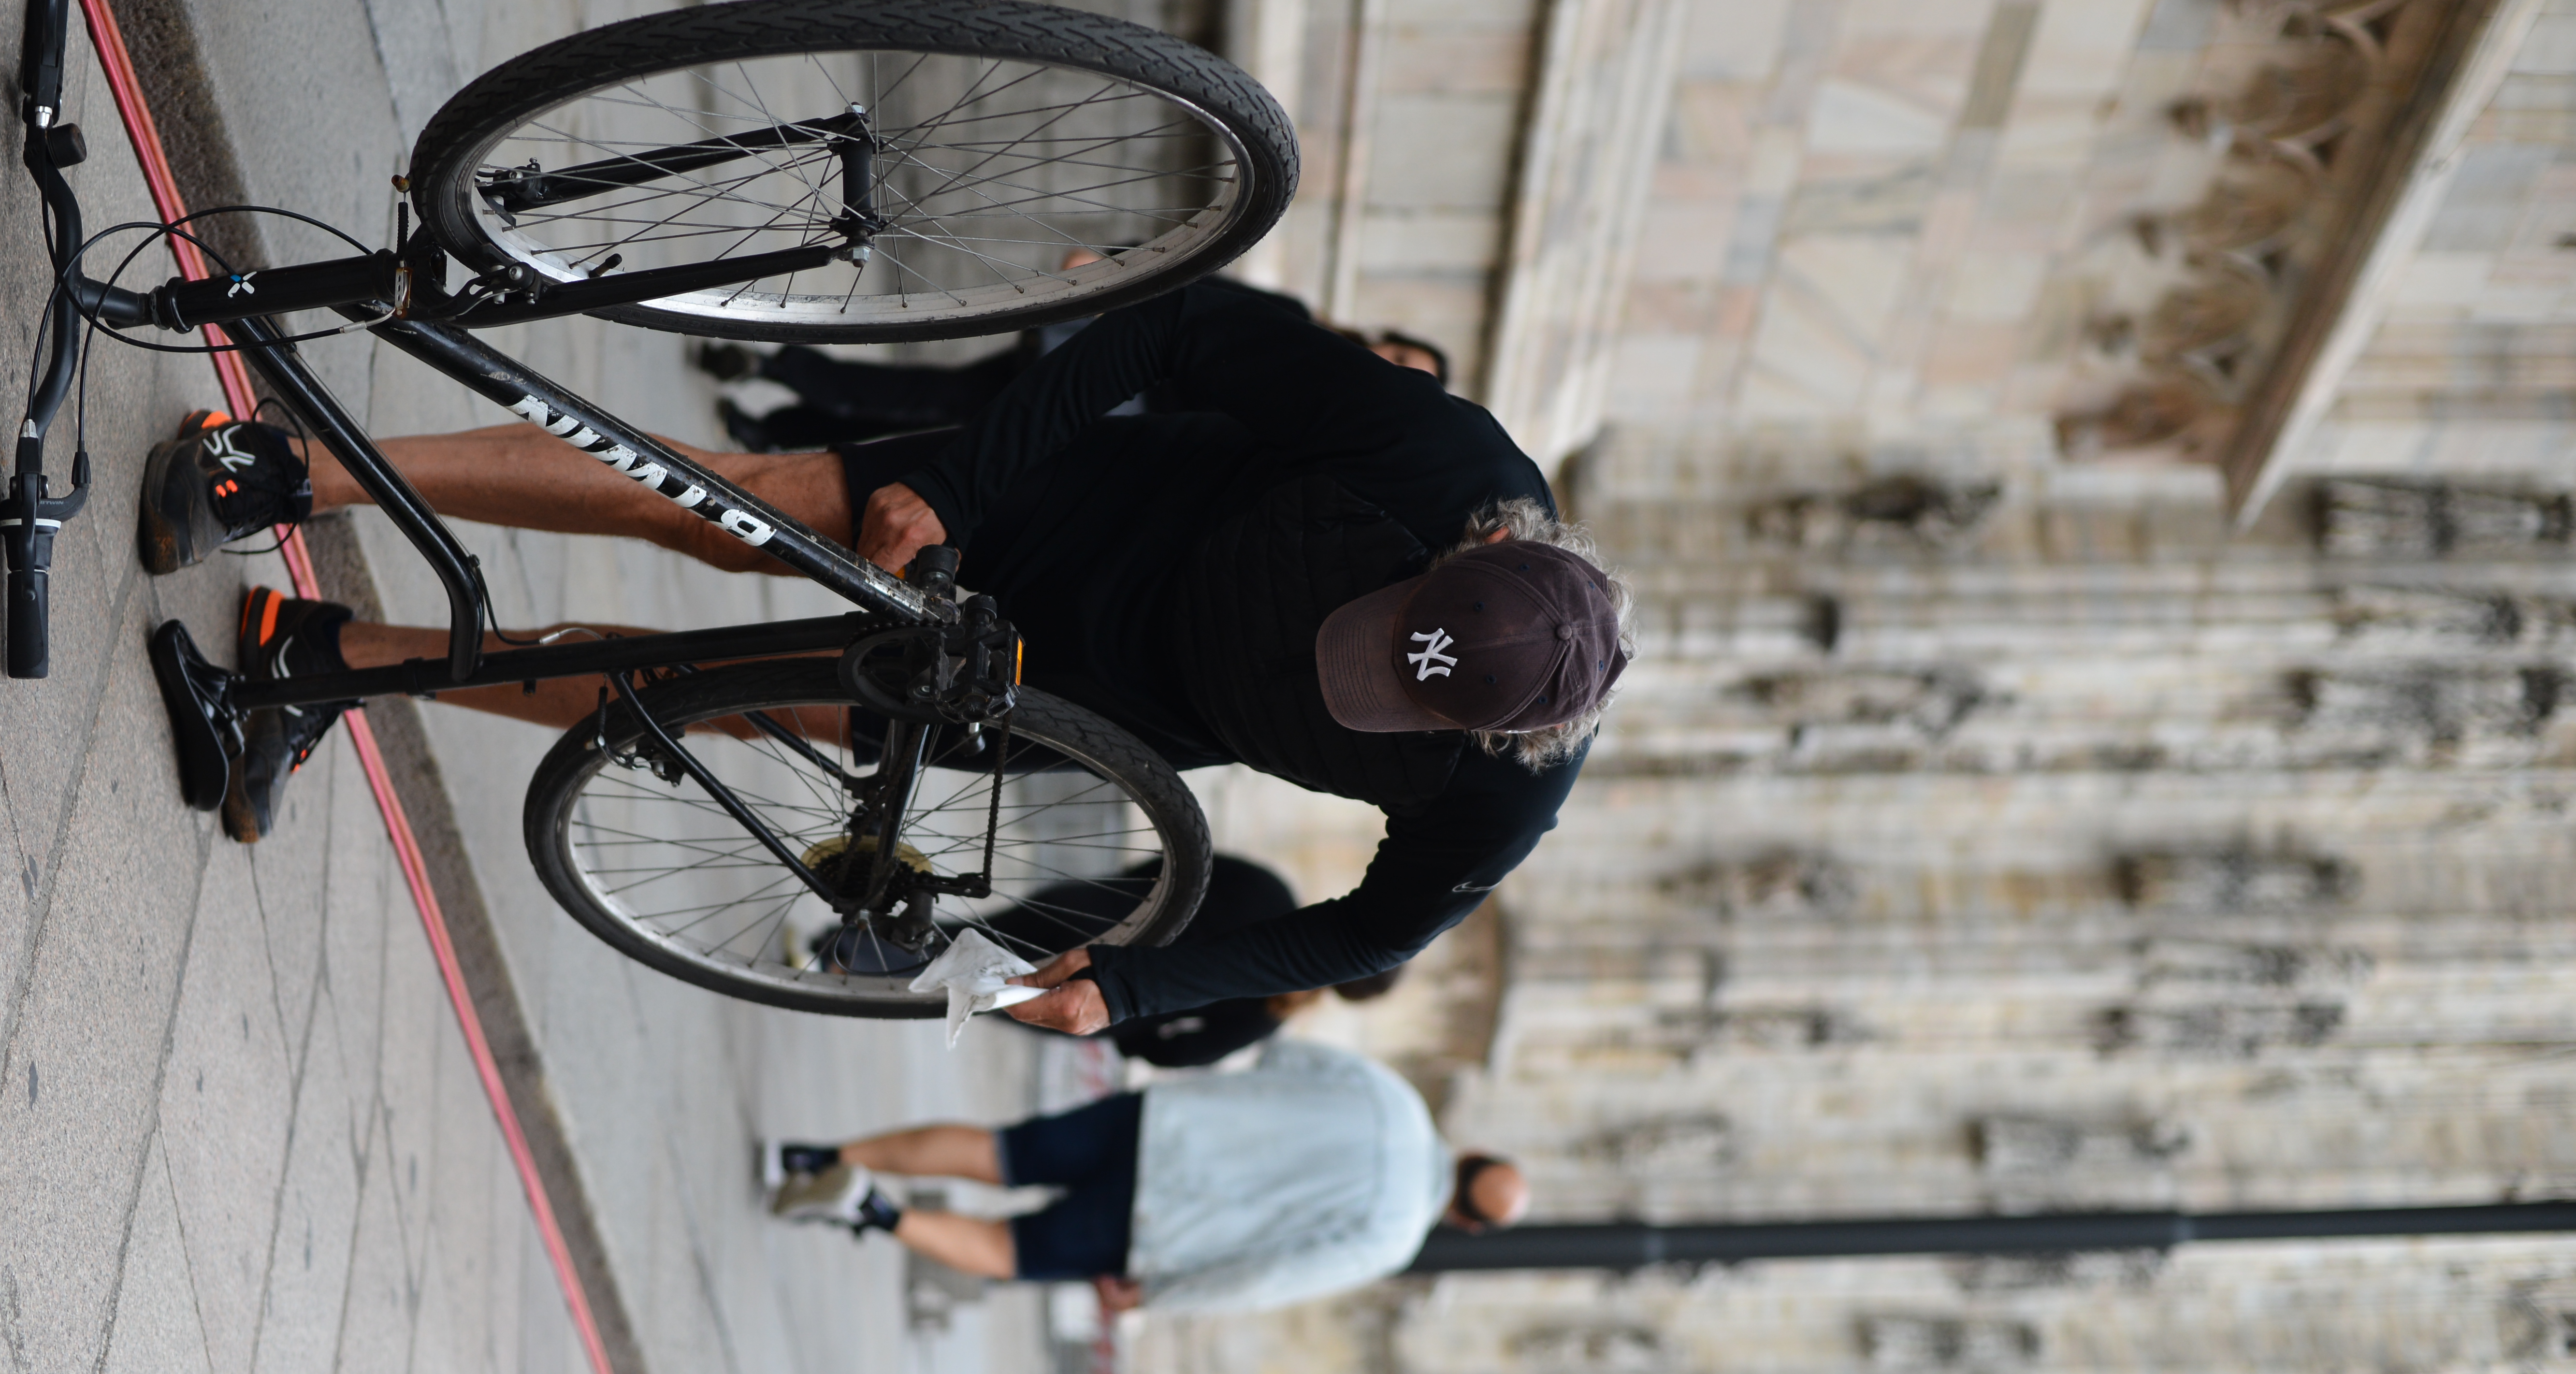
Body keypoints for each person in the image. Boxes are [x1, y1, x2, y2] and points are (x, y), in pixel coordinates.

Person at [137, 275, 1635, 1019]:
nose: (1351, 659)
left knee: (711, 706)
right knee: (734, 511)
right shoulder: (1435, 453)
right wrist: (963, 480)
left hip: (1083, 699)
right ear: (1478, 547)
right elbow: (1174, 332)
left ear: (1477, 746)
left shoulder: (1502, 799)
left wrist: (1135, 986)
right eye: (1385, 636)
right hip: (1074, 508)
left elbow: (1370, 934)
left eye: (1380, 695)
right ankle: (280, 471)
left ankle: (325, 654)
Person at [762, 1040, 1528, 1313]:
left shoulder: (1393, 1098)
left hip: (1160, 1124)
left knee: (997, 1153)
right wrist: (1157, 1296)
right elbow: (1266, 1279)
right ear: (1466, 1222)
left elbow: (1285, 1058)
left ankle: (823, 1158)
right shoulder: (1391, 1238)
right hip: (1161, 1224)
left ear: (1469, 1154)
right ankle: (870, 1210)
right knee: (1008, 1250)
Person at [699, 297, 1455, 451]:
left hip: (1106, 429)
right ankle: (773, 372)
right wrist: (1112, 270)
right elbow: (1205, 297)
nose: (1387, 369)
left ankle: (773, 421)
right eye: (1399, 356)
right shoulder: (1297, 321)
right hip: (1096, 366)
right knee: (934, 398)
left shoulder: (1318, 420)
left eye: (1404, 378)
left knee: (932, 425)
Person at [973, 854, 1404, 1067]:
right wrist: (1132, 1035)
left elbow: (1184, 861)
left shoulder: (1272, 892)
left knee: (956, 937)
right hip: (1097, 1005)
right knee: (956, 991)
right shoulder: (1270, 1012)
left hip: (1098, 913)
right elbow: (1184, 1053)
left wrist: (1123, 889)